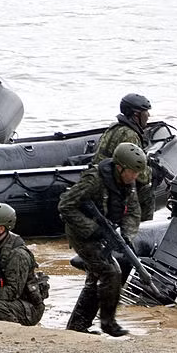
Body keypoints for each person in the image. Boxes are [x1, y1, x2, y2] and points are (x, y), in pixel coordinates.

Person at [59, 142, 146, 336]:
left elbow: (133, 211)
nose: (134, 177)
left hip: (106, 230)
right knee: (110, 272)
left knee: (96, 275)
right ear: (119, 167)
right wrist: (93, 229)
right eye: (131, 172)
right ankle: (108, 322)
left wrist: (127, 235)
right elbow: (65, 205)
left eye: (136, 173)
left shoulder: (127, 183)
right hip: (81, 232)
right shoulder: (94, 181)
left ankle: (77, 326)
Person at [90, 94, 155, 221]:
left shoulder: (114, 128)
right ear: (136, 114)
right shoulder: (130, 135)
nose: (148, 116)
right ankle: (144, 229)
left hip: (102, 179)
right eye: (146, 112)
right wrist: (153, 173)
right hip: (112, 184)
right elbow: (138, 173)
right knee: (147, 191)